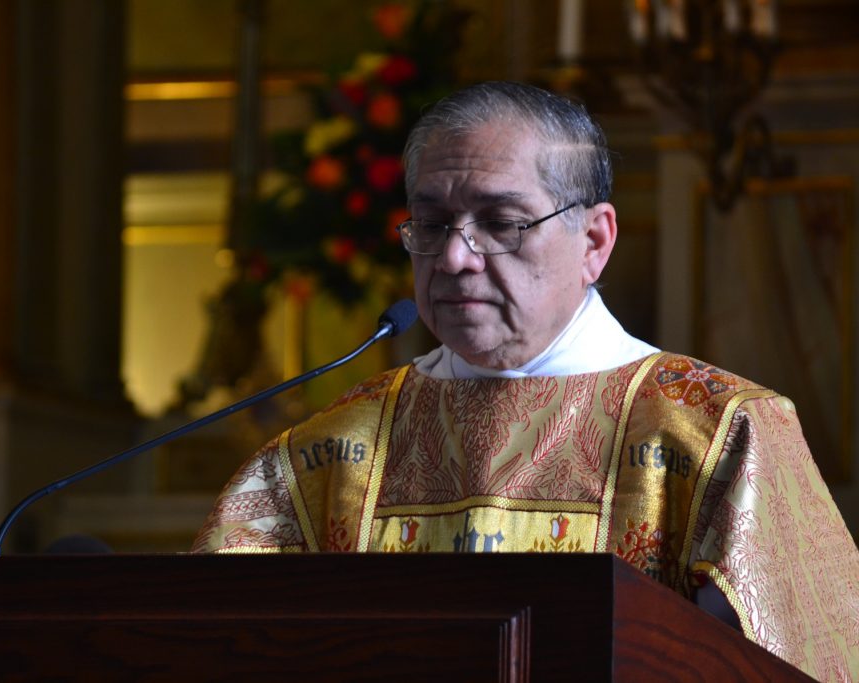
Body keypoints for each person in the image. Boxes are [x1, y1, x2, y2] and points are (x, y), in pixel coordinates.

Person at [193, 81, 859, 680]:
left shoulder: (719, 431)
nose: (454, 256)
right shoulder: (326, 454)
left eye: (501, 223)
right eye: (431, 223)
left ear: (595, 240)